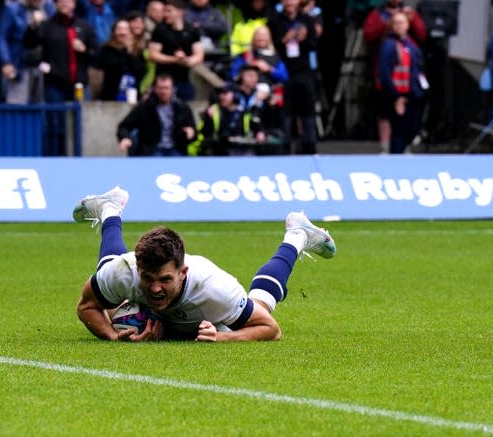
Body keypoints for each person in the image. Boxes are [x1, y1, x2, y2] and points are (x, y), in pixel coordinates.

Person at [73, 185, 337, 342]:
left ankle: (296, 235)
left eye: (165, 279)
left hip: (210, 305)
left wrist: (222, 337)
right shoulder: (125, 271)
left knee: (260, 306)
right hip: (132, 280)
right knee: (108, 277)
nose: (154, 288)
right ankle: (110, 208)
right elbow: (87, 307)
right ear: (138, 269)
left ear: (182, 272)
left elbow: (271, 329)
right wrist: (111, 335)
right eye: (148, 278)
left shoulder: (215, 291)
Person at [24, 0, 97, 155]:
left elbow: (95, 56)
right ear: (55, 4)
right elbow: (29, 44)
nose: (64, 3)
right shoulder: (47, 26)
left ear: (74, 4)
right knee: (54, 124)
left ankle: (78, 160)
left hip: (79, 85)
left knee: (80, 124)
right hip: (55, 84)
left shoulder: (84, 26)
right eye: (60, 1)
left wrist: (84, 50)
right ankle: (54, 160)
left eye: (67, 1)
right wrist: (32, 26)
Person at [363, 0, 426, 153]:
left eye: (402, 23)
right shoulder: (379, 18)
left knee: (408, 123)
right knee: (388, 117)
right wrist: (396, 95)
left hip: (409, 87)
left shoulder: (409, 42)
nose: (399, 26)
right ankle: (387, 148)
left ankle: (405, 146)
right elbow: (368, 35)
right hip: (391, 86)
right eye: (396, 23)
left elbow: (422, 34)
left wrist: (412, 18)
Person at [268, 0, 319, 155]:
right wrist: (285, 39)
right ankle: (285, 146)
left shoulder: (307, 20)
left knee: (307, 109)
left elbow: (314, 45)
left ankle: (309, 147)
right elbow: (271, 47)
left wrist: (303, 39)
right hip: (283, 70)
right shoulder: (274, 21)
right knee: (286, 110)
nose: (290, 2)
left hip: (303, 70)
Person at [116, 73, 196, 156]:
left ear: (172, 89)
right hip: (152, 149)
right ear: (155, 89)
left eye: (166, 88)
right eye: (160, 88)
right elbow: (124, 126)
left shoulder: (182, 108)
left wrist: (191, 132)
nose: (163, 92)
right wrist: (125, 138)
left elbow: (192, 129)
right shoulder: (145, 107)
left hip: (176, 148)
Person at [0, 0, 55, 104]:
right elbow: (2, 37)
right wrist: (6, 62)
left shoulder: (48, 7)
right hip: (20, 65)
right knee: (17, 106)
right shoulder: (12, 9)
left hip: (43, 66)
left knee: (42, 107)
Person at [147, 0, 204, 102]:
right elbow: (153, 55)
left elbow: (199, 55)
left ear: (180, 12)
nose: (165, 14)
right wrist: (174, 59)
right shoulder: (160, 29)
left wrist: (186, 60)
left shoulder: (191, 30)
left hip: (183, 81)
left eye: (169, 11)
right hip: (162, 81)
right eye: (165, 11)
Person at [96, 18, 146, 101]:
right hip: (112, 94)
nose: (122, 32)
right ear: (114, 32)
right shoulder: (107, 49)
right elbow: (115, 66)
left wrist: (130, 51)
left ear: (130, 33)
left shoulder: (137, 51)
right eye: (119, 29)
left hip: (133, 94)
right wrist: (126, 51)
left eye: (125, 29)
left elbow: (139, 70)